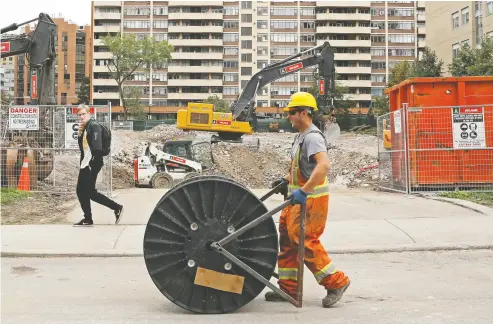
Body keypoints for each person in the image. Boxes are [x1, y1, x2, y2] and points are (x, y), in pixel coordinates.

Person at [266, 92, 350, 307]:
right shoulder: (301, 136)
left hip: (310, 200)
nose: (289, 117)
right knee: (286, 239)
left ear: (304, 112)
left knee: (303, 240)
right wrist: (285, 180)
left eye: (292, 112)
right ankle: (289, 288)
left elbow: (324, 166)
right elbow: (302, 168)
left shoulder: (312, 137)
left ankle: (336, 282)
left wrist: (303, 190)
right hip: (297, 199)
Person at [74, 104, 123, 227]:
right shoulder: (86, 127)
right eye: (79, 115)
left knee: (82, 191)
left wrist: (92, 162)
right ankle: (115, 208)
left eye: (83, 114)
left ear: (89, 113)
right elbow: (84, 149)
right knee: (89, 192)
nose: (81, 116)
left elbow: (97, 147)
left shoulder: (94, 126)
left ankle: (89, 218)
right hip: (86, 164)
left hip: (91, 164)